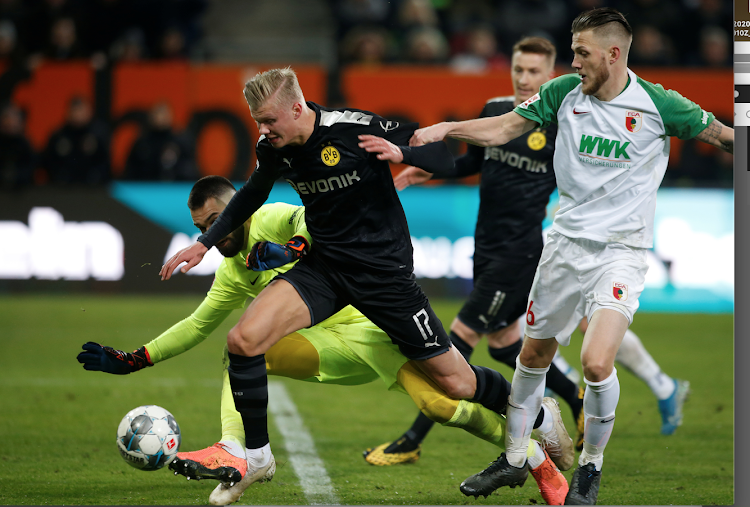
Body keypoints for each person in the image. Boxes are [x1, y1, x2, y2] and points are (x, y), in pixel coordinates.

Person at [374, 8, 733, 504]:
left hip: (620, 253)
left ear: (613, 52)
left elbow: (724, 136)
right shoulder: (563, 93)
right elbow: (502, 128)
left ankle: (589, 471)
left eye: (582, 53)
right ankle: (515, 458)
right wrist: (446, 129)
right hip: (563, 247)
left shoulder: (659, 104)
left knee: (596, 360)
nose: (575, 62)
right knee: (530, 355)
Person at [158, 67, 567, 502]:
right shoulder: (273, 147)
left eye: (268, 120)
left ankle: (540, 414)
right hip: (326, 269)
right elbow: (253, 192)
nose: (262, 130)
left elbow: (444, 158)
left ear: (297, 109)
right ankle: (256, 456)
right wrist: (203, 243)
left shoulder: (356, 130)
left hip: (384, 277)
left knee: (456, 385)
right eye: (258, 121)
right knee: (243, 340)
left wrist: (402, 152)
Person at [79, 175, 573, 506]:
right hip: (327, 346)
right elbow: (196, 323)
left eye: (215, 221)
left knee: (445, 404)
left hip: (373, 327)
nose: (213, 232)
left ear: (236, 209)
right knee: (243, 349)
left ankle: (533, 452)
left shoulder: (269, 215)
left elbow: (306, 222)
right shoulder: (231, 272)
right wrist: (135, 359)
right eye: (202, 229)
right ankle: (238, 452)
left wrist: (288, 250)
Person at [364, 36, 581, 467]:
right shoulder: (495, 109)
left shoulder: (562, 121)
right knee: (504, 347)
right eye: (519, 69)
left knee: (456, 339)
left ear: (551, 74)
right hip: (486, 245)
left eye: (534, 72)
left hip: (520, 253)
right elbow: (473, 164)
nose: (524, 79)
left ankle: (411, 439)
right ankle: (573, 396)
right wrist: (424, 171)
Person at [43, 95, 110, 185]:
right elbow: (48, 162)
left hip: (93, 190)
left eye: (81, 110)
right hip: (63, 190)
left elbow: (105, 164)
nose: (78, 114)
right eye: (75, 110)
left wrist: (95, 178)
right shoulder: (59, 136)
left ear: (90, 111)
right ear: (68, 112)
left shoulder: (99, 134)